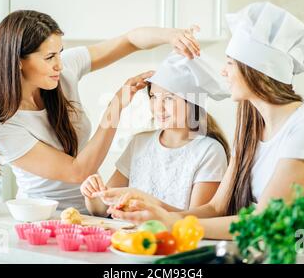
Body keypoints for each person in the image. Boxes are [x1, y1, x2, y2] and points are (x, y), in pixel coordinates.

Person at [98, 2, 304, 239]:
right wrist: (154, 211)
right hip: (271, 252)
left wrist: (171, 222)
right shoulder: (251, 129)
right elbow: (216, 209)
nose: (223, 71)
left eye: (230, 63)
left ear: (257, 70)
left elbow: (264, 221)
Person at [0, 10, 201, 211]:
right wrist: (116, 107)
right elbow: (78, 171)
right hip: (45, 218)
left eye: (60, 53)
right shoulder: (3, 127)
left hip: (91, 210)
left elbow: (129, 40)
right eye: (49, 57)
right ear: (18, 61)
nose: (60, 64)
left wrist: (171, 36)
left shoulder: (60, 74)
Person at [80, 53, 231, 216]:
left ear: (193, 102)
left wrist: (148, 204)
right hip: (128, 238)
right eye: (153, 97)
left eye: (169, 98)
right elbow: (101, 210)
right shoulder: (139, 142)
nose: (158, 107)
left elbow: (198, 219)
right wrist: (92, 193)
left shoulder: (209, 151)